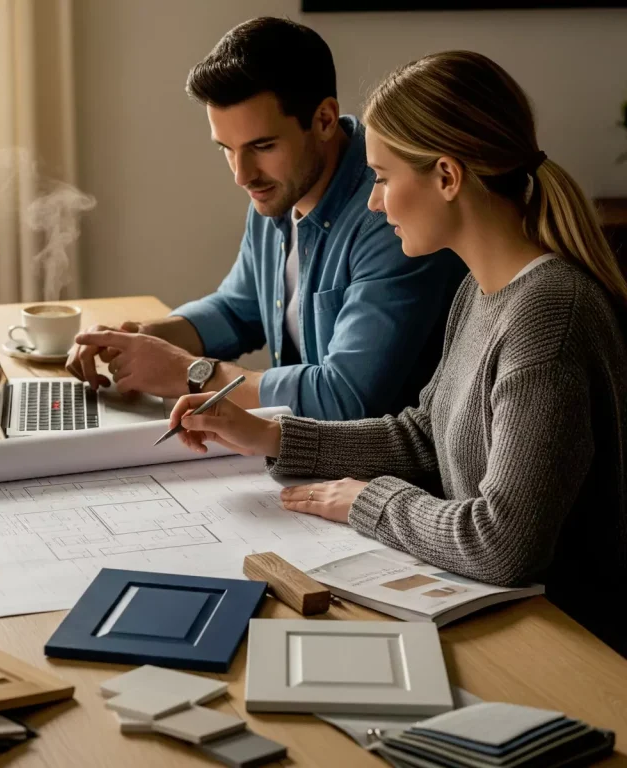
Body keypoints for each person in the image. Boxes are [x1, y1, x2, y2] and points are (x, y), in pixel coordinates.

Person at [166, 51, 627, 657]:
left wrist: (368, 501)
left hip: (569, 643)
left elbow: (502, 543)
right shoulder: (480, 291)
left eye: (382, 178)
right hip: (505, 615)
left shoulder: (547, 317)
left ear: (447, 177)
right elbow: (425, 436)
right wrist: (272, 436)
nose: (374, 202)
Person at [66, 17, 465, 419]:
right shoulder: (277, 189)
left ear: (324, 120)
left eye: (262, 146)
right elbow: (238, 310)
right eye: (227, 148)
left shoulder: (391, 215)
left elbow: (344, 398)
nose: (242, 175)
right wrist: (144, 338)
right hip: (293, 444)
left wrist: (190, 372)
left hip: (375, 455)